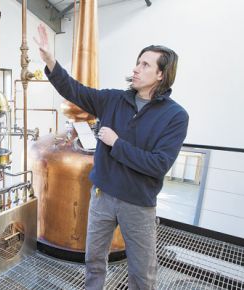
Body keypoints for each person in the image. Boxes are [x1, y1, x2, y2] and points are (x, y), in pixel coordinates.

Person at [35, 24, 189, 290]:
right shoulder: (114, 100)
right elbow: (75, 90)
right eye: (137, 63)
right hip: (102, 196)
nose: (136, 69)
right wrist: (50, 60)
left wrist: (116, 143)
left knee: (142, 272)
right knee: (94, 260)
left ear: (161, 75)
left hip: (138, 204)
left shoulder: (175, 117)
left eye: (145, 65)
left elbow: (158, 164)